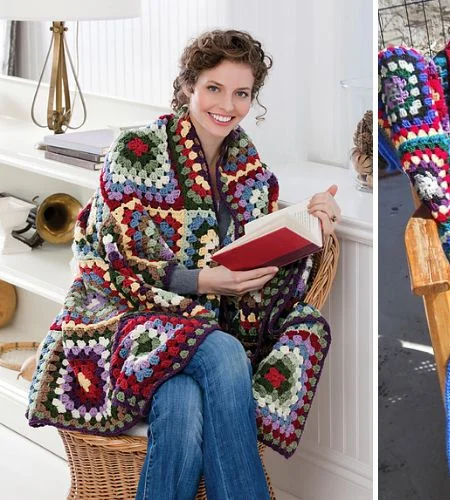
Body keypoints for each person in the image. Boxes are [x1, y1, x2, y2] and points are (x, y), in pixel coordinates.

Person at [132, 30, 342, 499]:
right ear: (189, 85)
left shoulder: (245, 161)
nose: (227, 104)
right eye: (214, 88)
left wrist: (314, 218)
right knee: (224, 350)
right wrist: (208, 280)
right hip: (128, 320)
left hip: (202, 325)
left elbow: (261, 243)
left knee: (183, 402)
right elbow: (113, 260)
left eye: (242, 93)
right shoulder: (138, 150)